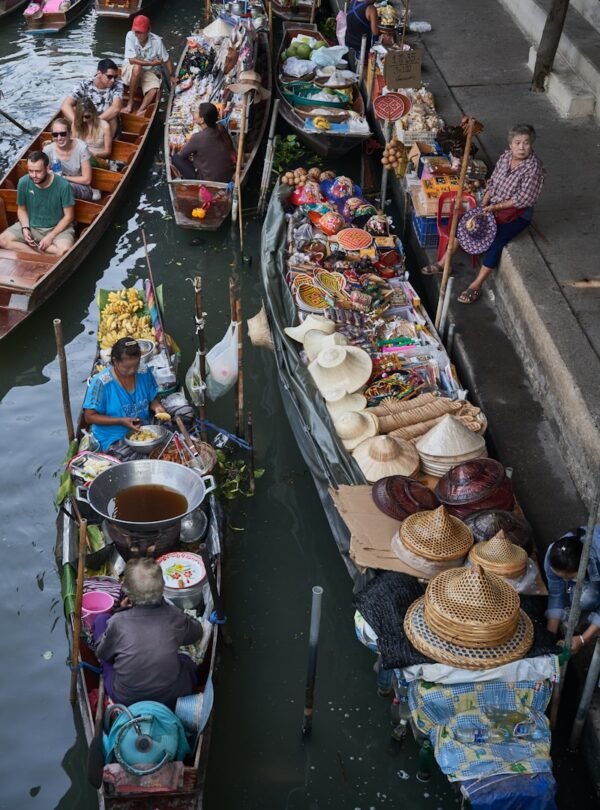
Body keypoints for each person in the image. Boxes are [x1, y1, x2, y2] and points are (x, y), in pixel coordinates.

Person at [421, 124, 545, 304]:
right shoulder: (506, 157)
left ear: (531, 145)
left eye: (526, 143)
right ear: (510, 144)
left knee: (496, 242)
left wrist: (493, 208)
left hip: (516, 214)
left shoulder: (533, 168)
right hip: (493, 206)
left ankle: (476, 285)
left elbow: (522, 200)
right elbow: (493, 183)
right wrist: (482, 206)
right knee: (463, 223)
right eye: (517, 142)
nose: (521, 147)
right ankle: (443, 264)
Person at [95, 558, 203, 708]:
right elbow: (197, 633)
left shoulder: (118, 621)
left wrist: (121, 610)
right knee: (186, 660)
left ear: (129, 594)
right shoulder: (174, 616)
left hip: (127, 698)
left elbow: (103, 654)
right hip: (173, 695)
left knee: (101, 620)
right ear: (162, 588)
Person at [83, 337, 169, 451]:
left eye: (136, 365)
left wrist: (157, 407)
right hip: (114, 437)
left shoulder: (143, 371)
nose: (132, 371)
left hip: (143, 429)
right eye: (127, 368)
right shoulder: (101, 383)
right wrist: (120, 421)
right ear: (114, 361)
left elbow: (152, 398)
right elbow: (89, 417)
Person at [0, 150, 74, 256]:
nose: (34, 175)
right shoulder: (23, 182)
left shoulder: (63, 185)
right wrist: (25, 228)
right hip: (33, 226)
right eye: (30, 171)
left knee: (64, 252)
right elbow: (21, 209)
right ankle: (38, 255)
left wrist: (50, 236)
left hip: (58, 229)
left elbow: (69, 217)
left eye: (38, 171)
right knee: (2, 240)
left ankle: (36, 246)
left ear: (47, 168)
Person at [544, 526, 600, 654]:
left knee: (587, 598)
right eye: (560, 577)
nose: (563, 579)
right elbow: (556, 593)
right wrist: (550, 637)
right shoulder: (553, 555)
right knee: (571, 593)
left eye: (569, 577)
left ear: (583, 568)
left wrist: (583, 639)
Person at [121, 15, 176, 115]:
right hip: (130, 68)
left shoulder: (157, 41)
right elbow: (132, 60)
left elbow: (167, 60)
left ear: (148, 30)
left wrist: (172, 76)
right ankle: (130, 102)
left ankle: (140, 110)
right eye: (136, 32)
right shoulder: (130, 35)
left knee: (154, 89)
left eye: (140, 32)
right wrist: (151, 63)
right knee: (137, 68)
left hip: (147, 71)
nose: (137, 35)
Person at [171, 102, 235, 182]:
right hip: (227, 175)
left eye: (196, 113)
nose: (194, 114)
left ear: (202, 120)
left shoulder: (197, 137)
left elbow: (181, 156)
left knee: (175, 158)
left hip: (209, 181)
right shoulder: (221, 128)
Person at [61, 58, 124, 138]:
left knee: (113, 118)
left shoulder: (117, 85)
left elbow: (115, 109)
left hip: (103, 119)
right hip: (86, 118)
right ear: (99, 73)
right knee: (71, 111)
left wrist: (94, 122)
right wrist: (76, 122)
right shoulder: (85, 84)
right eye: (109, 76)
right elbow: (65, 105)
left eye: (115, 77)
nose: (113, 80)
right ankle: (74, 140)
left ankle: (108, 144)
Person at [43, 118, 100, 201]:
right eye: (55, 135)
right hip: (56, 186)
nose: (59, 138)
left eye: (63, 134)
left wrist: (64, 178)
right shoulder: (47, 150)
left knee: (65, 187)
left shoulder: (81, 147)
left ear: (70, 133)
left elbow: (87, 180)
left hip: (80, 186)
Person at [72, 97, 113, 168]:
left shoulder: (105, 126)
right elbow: (73, 144)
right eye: (81, 117)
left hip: (98, 160)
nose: (84, 120)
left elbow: (107, 152)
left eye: (87, 116)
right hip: (80, 158)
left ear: (93, 112)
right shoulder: (76, 124)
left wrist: (94, 154)